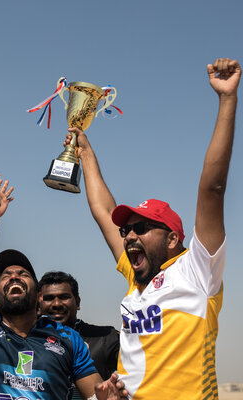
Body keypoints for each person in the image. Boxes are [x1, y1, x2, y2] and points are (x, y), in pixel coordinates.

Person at [72, 58, 240, 399]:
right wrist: (85, 153)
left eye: (143, 227)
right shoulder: (137, 280)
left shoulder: (197, 270)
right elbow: (103, 210)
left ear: (174, 238)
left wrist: (227, 100)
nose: (130, 235)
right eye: (127, 230)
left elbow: (213, 188)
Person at [0, 170, 128, 400]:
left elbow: (95, 394)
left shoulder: (68, 338)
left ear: (39, 295)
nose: (14, 276)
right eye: (5, 275)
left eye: (23, 273)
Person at [38, 271, 119, 399]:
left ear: (78, 302)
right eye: (49, 298)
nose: (56, 304)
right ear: (38, 305)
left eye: (64, 297)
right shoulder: (28, 339)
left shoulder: (106, 337)